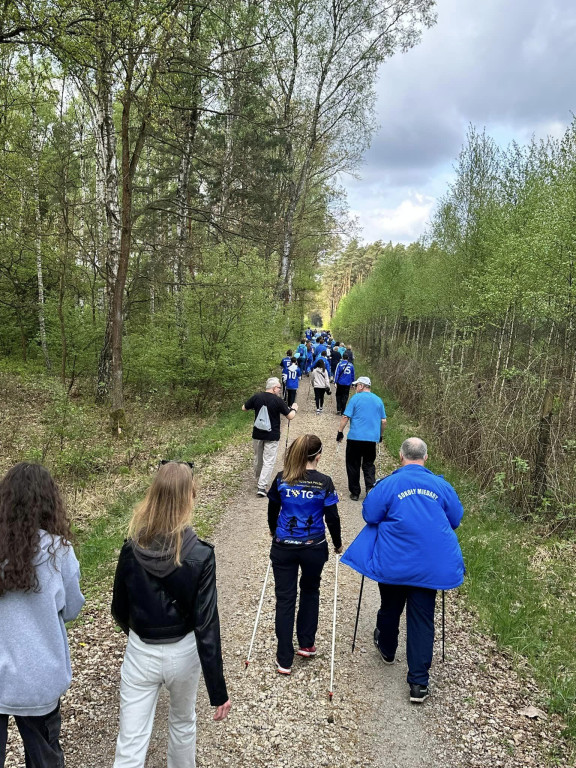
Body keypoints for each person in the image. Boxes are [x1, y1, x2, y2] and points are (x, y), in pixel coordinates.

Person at [111, 461, 231, 768]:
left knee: (131, 740)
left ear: (154, 496)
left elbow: (119, 610)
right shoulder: (201, 555)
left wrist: (140, 632)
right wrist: (218, 691)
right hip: (183, 652)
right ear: (190, 497)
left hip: (140, 651)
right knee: (182, 722)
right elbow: (206, 626)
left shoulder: (130, 549)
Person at [341, 438, 465, 704]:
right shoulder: (442, 486)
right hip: (430, 566)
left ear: (401, 457)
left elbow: (370, 515)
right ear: (425, 458)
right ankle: (418, 684)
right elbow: (455, 519)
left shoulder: (389, 484)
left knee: (390, 607)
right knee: (422, 619)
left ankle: (387, 649)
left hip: (394, 562)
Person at [0, 462, 85, 768]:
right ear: (50, 502)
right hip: (39, 678)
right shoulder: (59, 550)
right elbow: (73, 608)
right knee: (45, 759)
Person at [268, 434, 343, 674]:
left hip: (283, 546)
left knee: (285, 597)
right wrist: (338, 543)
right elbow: (332, 516)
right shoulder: (324, 482)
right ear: (318, 456)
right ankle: (307, 643)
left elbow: (273, 508)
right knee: (310, 591)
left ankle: (284, 658)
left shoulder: (282, 479)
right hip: (313, 546)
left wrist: (273, 530)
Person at [243, 377, 298, 496]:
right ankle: (262, 487)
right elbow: (290, 416)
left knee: (258, 457)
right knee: (268, 460)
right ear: (273, 388)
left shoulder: (256, 397)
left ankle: (259, 479)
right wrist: (294, 408)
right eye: (279, 388)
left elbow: (244, 408)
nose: (279, 390)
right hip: (272, 435)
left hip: (257, 434)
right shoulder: (278, 401)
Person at [336, 376, 386, 500]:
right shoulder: (378, 400)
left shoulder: (355, 398)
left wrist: (340, 432)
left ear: (362, 386)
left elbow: (345, 417)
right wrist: (380, 435)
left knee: (353, 464)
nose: (354, 388)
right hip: (371, 439)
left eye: (356, 385)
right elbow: (383, 421)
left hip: (355, 438)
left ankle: (355, 492)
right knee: (369, 464)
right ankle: (370, 488)